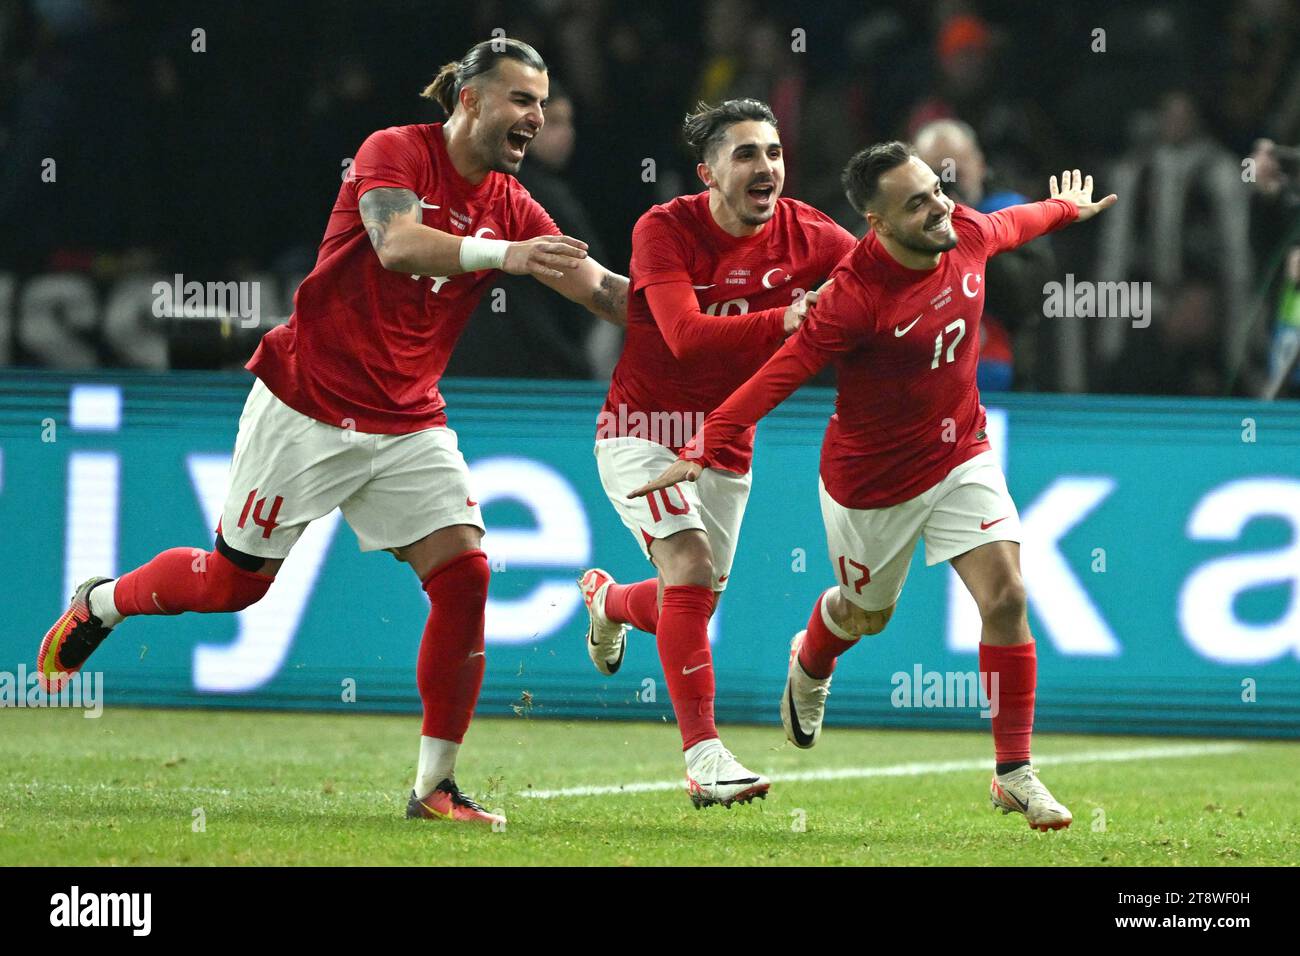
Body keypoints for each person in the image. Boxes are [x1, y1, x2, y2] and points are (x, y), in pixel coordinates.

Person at [37, 38, 629, 827]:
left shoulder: (514, 205)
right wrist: (507, 255)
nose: (537, 117)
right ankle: (103, 601)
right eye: (522, 99)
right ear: (470, 100)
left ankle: (433, 787)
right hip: (308, 401)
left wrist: (706, 318)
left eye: (543, 103)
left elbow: (597, 288)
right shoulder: (395, 152)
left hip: (409, 418)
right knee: (230, 586)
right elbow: (395, 244)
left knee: (467, 575)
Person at [631, 142, 1117, 831]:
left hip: (960, 453)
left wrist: (1067, 208)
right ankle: (812, 656)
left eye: (935, 190)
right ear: (878, 224)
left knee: (1008, 593)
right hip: (872, 483)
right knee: (866, 616)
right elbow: (783, 372)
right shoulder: (854, 296)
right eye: (916, 203)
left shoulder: (965, 231)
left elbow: (1017, 225)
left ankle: (1014, 773)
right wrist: (707, 442)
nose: (938, 207)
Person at [577, 99, 855, 809]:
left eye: (774, 152)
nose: (766, 167)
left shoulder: (814, 237)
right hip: (644, 429)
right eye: (746, 154)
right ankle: (704, 758)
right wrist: (787, 319)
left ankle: (608, 602)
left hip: (726, 440)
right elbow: (683, 335)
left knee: (691, 598)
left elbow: (878, 291)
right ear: (708, 172)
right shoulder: (664, 230)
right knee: (691, 569)